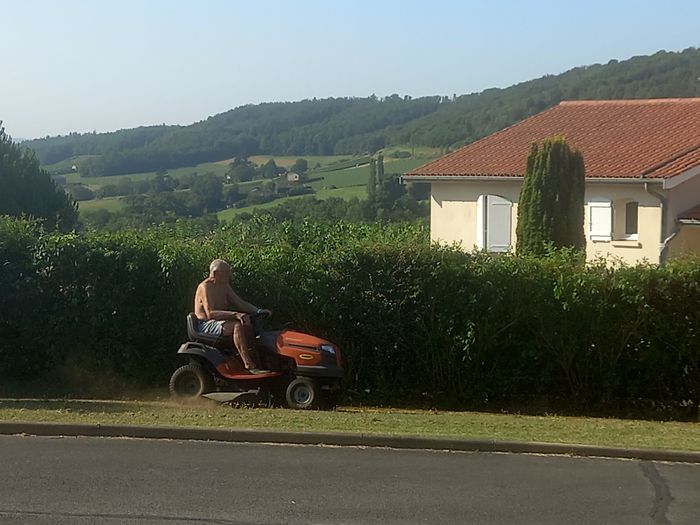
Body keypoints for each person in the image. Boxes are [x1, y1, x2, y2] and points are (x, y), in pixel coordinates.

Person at [194, 259, 272, 374]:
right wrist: (236, 314)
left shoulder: (224, 285)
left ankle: (262, 362)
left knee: (249, 326)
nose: (229, 275)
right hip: (205, 324)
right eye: (226, 272)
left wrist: (258, 311)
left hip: (220, 322)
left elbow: (239, 302)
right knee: (237, 326)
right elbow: (210, 313)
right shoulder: (205, 287)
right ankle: (248, 365)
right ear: (215, 273)